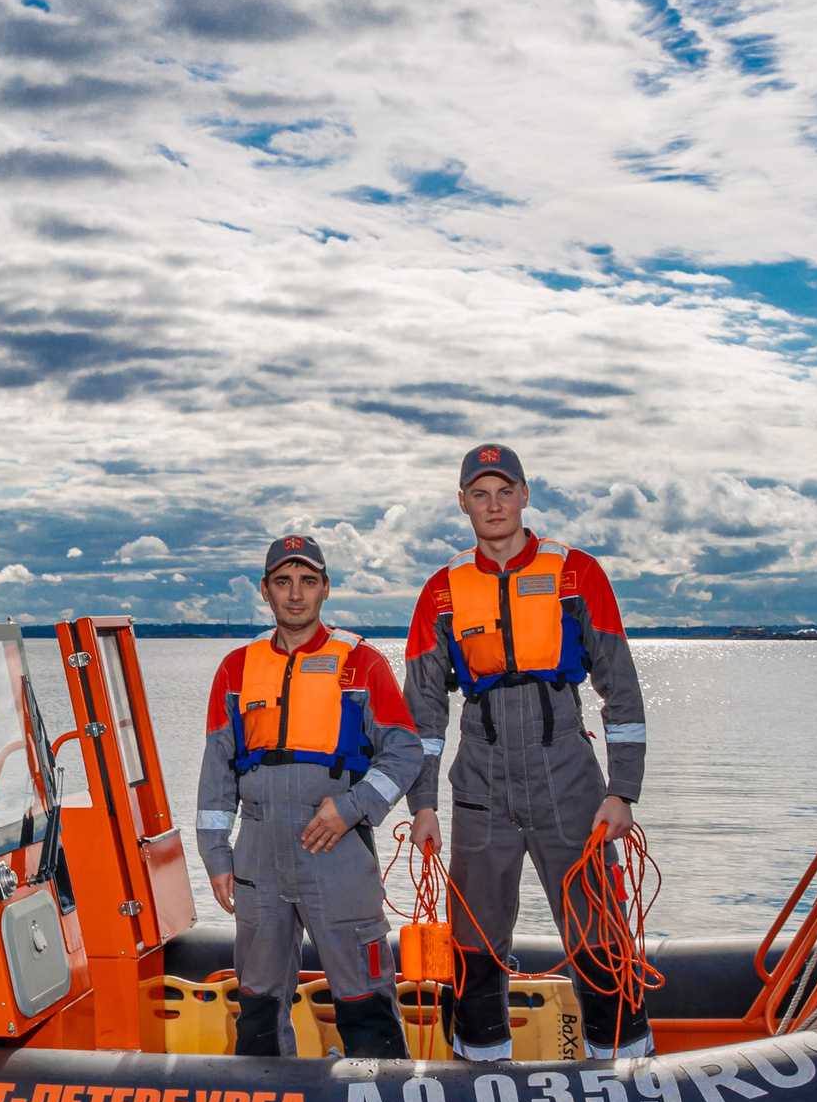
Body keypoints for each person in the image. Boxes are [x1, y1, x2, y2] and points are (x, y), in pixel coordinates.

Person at [403, 444, 650, 1061]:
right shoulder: (442, 592)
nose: (493, 505)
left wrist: (623, 790)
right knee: (474, 932)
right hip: (480, 779)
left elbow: (619, 688)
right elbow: (424, 712)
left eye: (504, 491)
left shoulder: (577, 574)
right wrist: (423, 803)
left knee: (597, 924)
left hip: (566, 771)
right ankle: (479, 1060)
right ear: (463, 503)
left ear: (524, 495)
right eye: (479, 493)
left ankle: (623, 1059)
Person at [197, 535, 417, 1059]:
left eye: (308, 581)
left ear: (325, 589)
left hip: (335, 849)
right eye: (283, 582)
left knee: (364, 996)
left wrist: (352, 806)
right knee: (256, 1000)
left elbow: (405, 752)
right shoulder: (236, 668)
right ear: (265, 591)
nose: (296, 594)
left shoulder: (361, 664)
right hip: (257, 854)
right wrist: (215, 854)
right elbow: (215, 774)